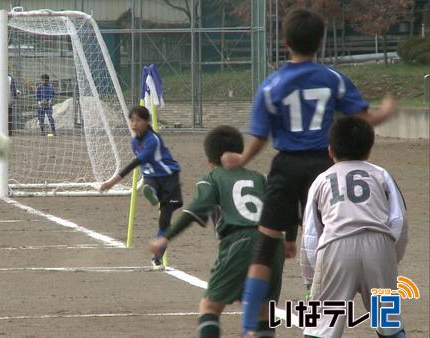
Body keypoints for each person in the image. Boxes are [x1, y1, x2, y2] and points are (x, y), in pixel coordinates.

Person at [219, 8, 398, 337]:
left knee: (265, 244)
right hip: (324, 167)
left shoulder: (271, 85)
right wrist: (385, 112)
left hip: (286, 165)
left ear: (285, 42)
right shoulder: (332, 78)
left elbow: (260, 136)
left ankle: (249, 327)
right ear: (320, 41)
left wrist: (242, 159)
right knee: (324, 236)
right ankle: (327, 305)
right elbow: (363, 117)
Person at [150, 125, 284, 338]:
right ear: (240, 153)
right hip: (274, 243)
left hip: (239, 241)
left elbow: (194, 211)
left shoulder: (212, 178)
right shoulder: (260, 177)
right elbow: (282, 207)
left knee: (209, 308)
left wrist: (165, 237)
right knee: (263, 312)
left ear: (210, 160)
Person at [301, 116, 407, 338]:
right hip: (379, 245)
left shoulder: (321, 180)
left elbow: (311, 234)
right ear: (369, 150)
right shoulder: (381, 174)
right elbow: (398, 221)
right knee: (388, 322)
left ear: (330, 151)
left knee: (321, 325)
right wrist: (390, 256)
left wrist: (312, 276)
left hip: (336, 246)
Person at [100, 105, 182, 269]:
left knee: (164, 222)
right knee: (149, 185)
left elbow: (136, 162)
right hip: (152, 177)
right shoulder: (134, 142)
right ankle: (151, 192)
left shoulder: (153, 140)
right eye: (132, 120)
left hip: (168, 177)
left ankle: (157, 257)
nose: (134, 124)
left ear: (147, 121)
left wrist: (112, 182)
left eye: (138, 120)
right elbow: (140, 164)